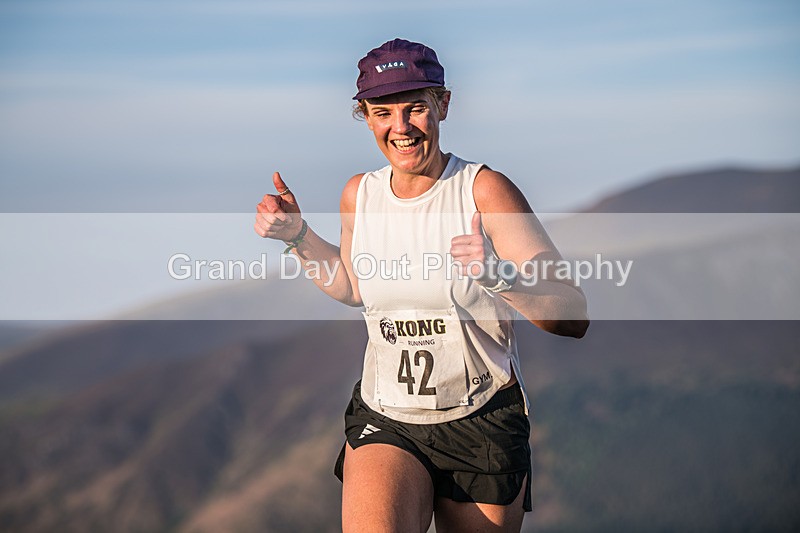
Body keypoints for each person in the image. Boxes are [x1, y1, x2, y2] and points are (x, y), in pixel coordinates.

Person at [255, 38, 588, 533]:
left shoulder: (482, 189)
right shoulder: (359, 194)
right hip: (387, 415)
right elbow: (353, 287)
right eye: (383, 112)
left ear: (443, 105)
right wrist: (299, 237)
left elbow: (573, 313)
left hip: (482, 418)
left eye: (415, 108)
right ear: (365, 116)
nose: (401, 127)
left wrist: (498, 277)